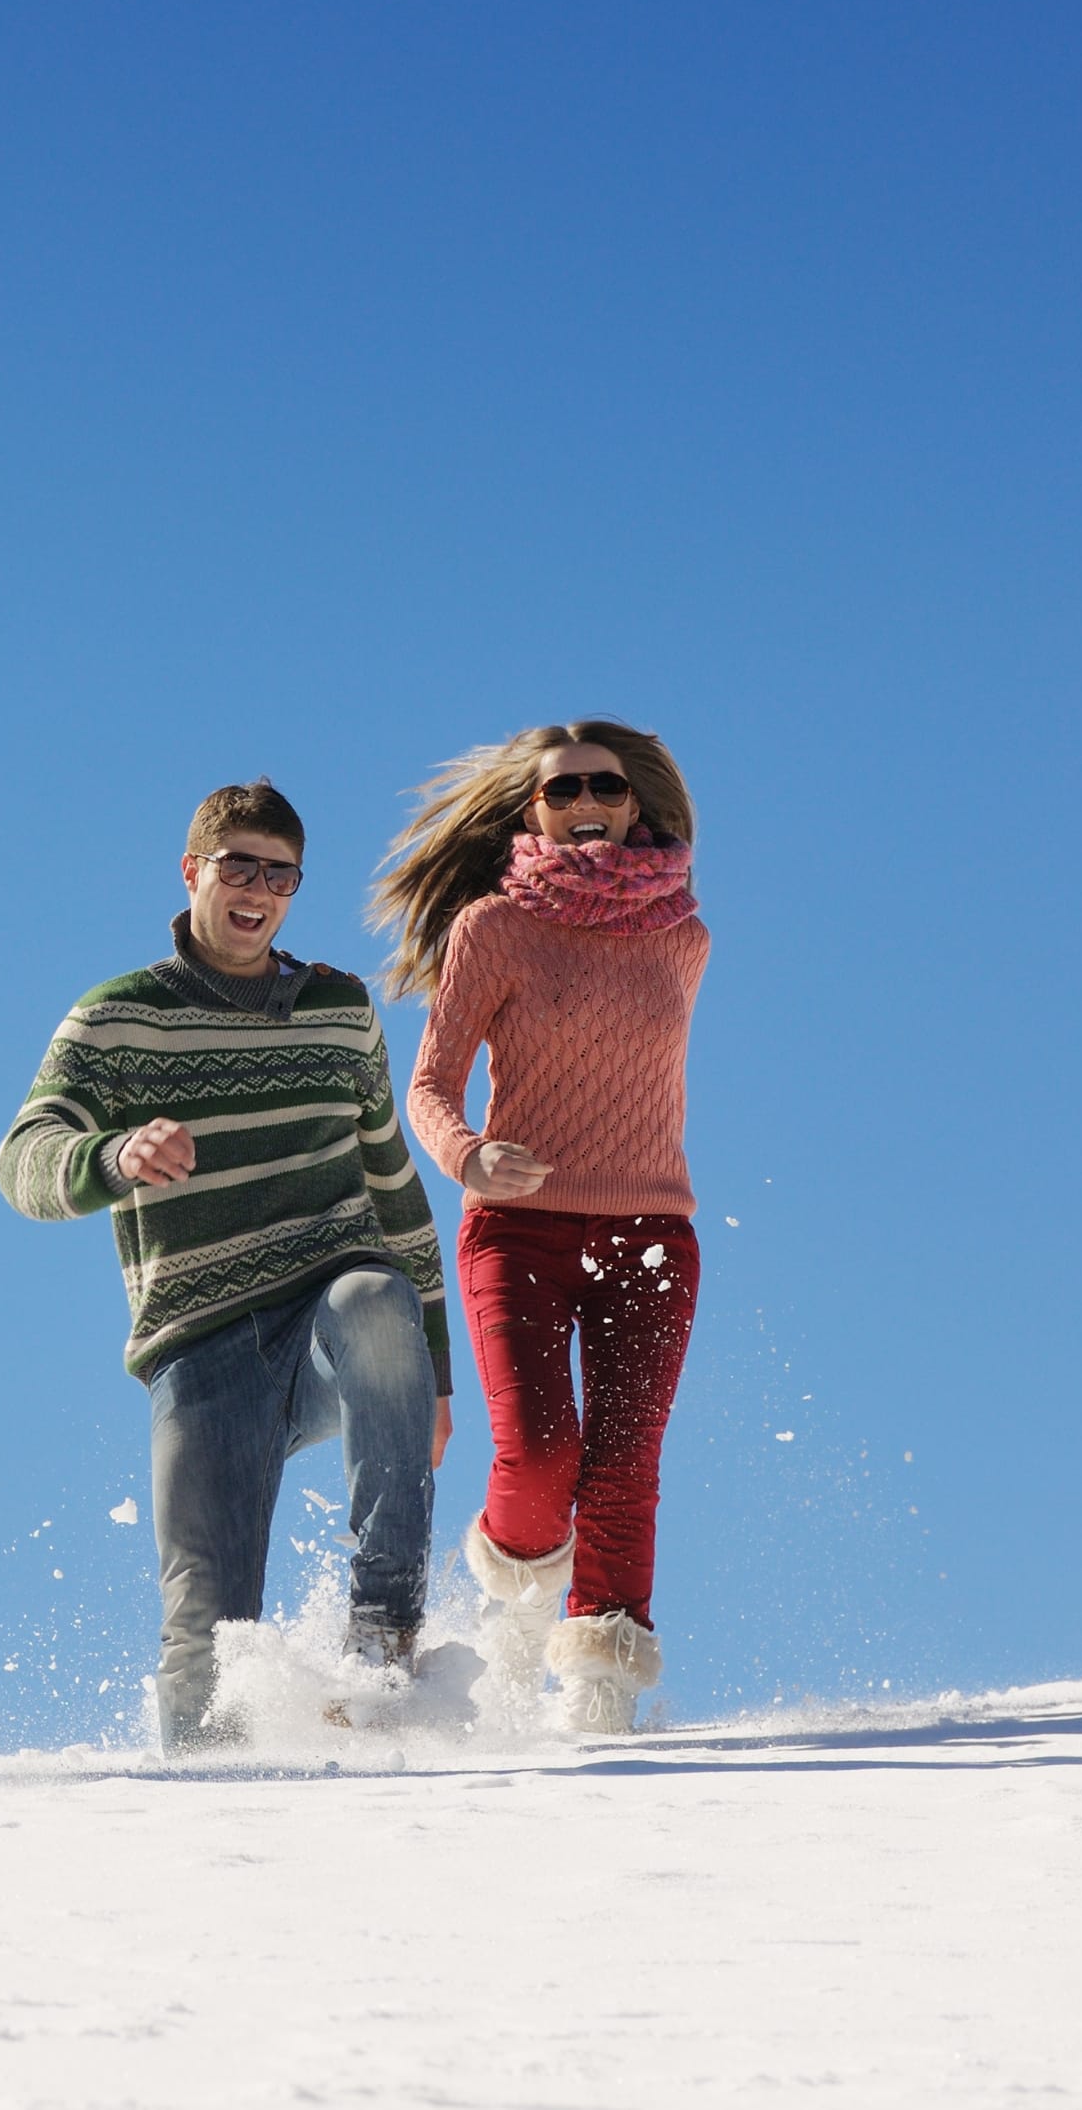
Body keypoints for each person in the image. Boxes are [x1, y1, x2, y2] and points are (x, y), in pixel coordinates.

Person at [0, 780, 451, 1750]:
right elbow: (22, 1158)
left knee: (376, 1300)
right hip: (200, 1348)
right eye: (239, 867)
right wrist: (113, 1155)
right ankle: (208, 1803)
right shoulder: (118, 1018)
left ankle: (382, 1642)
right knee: (205, 1656)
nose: (259, 891)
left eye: (281, 876)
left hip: (328, 1310)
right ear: (191, 872)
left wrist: (433, 1373)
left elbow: (393, 1187)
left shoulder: (338, 1010)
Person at [375, 721, 708, 1735]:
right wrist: (469, 1155)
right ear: (533, 811)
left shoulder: (684, 936)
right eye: (561, 790)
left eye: (603, 785)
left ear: (634, 804)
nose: (583, 803)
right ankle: (517, 1603)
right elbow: (429, 1085)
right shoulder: (492, 927)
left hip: (653, 1228)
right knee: (540, 1450)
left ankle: (602, 1696)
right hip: (517, 1230)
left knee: (624, 1464)